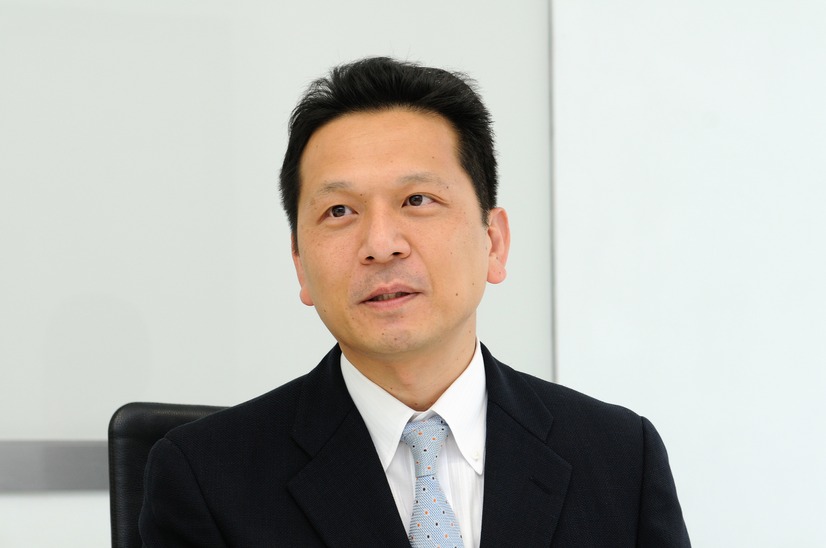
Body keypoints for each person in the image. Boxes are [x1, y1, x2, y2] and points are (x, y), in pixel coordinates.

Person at [140, 57, 690, 547]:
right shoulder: (205, 478)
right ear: (300, 264)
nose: (381, 245)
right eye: (339, 211)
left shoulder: (620, 457)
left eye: (417, 199)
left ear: (494, 242)